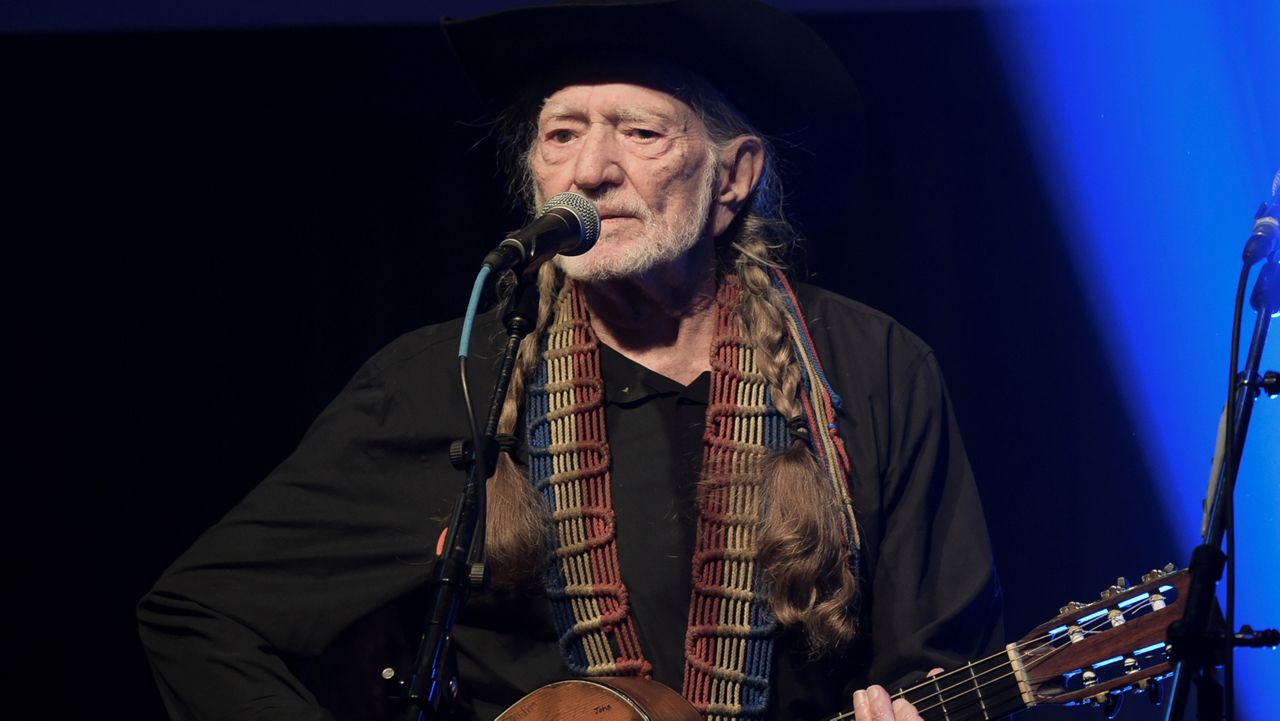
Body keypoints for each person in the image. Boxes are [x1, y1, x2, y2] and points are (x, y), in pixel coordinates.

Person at [138, 2, 1003, 720]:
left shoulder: (870, 366)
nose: (589, 171)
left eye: (640, 131)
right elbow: (200, 614)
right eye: (561, 134)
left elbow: (941, 657)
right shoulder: (448, 380)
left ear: (733, 176)